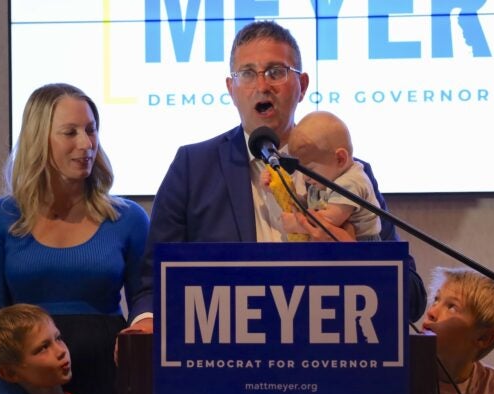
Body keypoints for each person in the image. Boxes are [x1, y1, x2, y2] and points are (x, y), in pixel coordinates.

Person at [128, 20, 426, 331]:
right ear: (231, 89)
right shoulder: (193, 167)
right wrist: (145, 324)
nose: (262, 85)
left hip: (328, 351)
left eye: (276, 72)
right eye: (247, 74)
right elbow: (153, 282)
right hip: (227, 354)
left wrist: (356, 259)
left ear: (303, 86)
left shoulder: (348, 173)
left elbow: (412, 299)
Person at [0, 83, 148, 394]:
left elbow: (147, 307)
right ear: (38, 138)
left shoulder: (129, 218)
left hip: (109, 391)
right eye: (71, 132)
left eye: (92, 130)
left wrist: (139, 393)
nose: (87, 143)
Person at [267, 110, 381, 241]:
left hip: (365, 247)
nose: (305, 178)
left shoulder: (351, 181)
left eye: (310, 170)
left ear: (340, 159)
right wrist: (280, 189)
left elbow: (330, 221)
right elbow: (308, 206)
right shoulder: (327, 178)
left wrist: (298, 224)